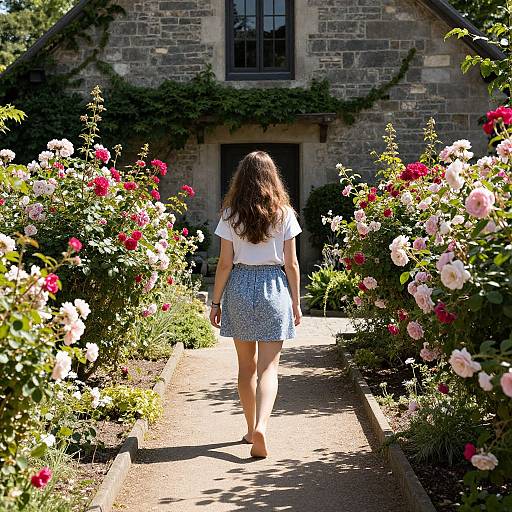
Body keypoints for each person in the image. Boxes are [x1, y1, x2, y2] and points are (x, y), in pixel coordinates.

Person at [209, 150, 302, 459]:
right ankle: (262, 425)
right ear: (271, 177)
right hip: (274, 289)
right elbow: (292, 264)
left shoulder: (230, 214)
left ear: (242, 177)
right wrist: (296, 304)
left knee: (245, 367)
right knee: (269, 369)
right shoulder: (284, 213)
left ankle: (250, 429)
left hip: (239, 288)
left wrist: (215, 301)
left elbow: (224, 264)